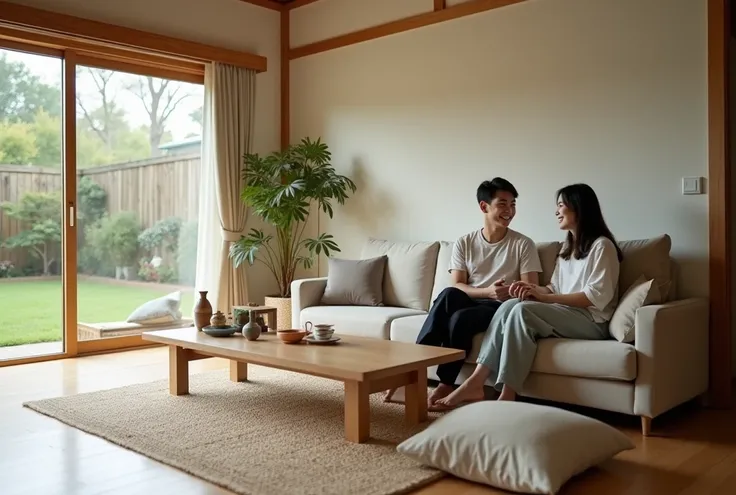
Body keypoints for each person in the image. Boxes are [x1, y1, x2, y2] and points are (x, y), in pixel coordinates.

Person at [436, 183, 623, 408]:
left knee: (522, 311)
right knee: (511, 305)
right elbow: (554, 287)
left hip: (592, 320)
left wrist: (543, 298)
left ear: (579, 208)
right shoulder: (569, 248)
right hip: (567, 313)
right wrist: (532, 290)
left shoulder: (602, 246)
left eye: (561, 205)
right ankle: (476, 382)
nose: (556, 211)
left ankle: (508, 394)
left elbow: (594, 297)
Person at [385, 177, 542, 410]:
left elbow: (531, 289)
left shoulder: (523, 244)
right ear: (484, 207)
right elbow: (458, 284)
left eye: (513, 204)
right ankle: (412, 371)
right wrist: (487, 291)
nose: (509, 211)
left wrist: (503, 292)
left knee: (460, 319)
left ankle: (446, 383)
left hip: (501, 307)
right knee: (448, 295)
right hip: (477, 298)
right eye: (503, 204)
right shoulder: (465, 242)